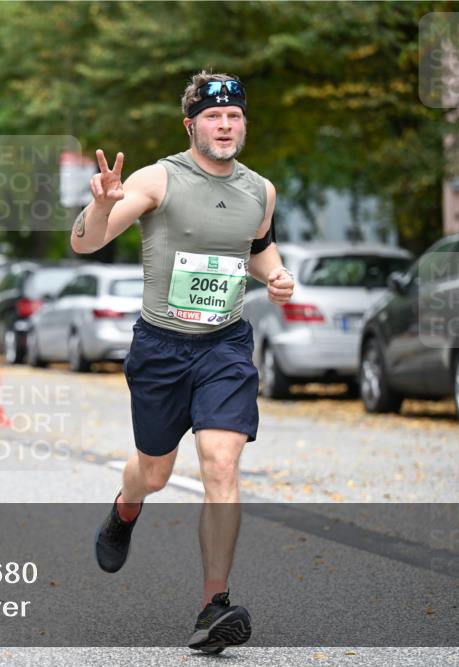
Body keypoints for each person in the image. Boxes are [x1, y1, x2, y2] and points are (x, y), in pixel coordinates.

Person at [71, 72, 295, 654]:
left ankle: (213, 604)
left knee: (221, 466)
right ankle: (125, 510)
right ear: (191, 123)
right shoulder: (158, 178)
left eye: (235, 116)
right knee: (156, 473)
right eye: (214, 117)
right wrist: (100, 208)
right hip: (162, 348)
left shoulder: (260, 191)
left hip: (224, 345)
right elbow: (85, 243)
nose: (226, 125)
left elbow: (257, 245)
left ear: (244, 122)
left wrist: (274, 274)